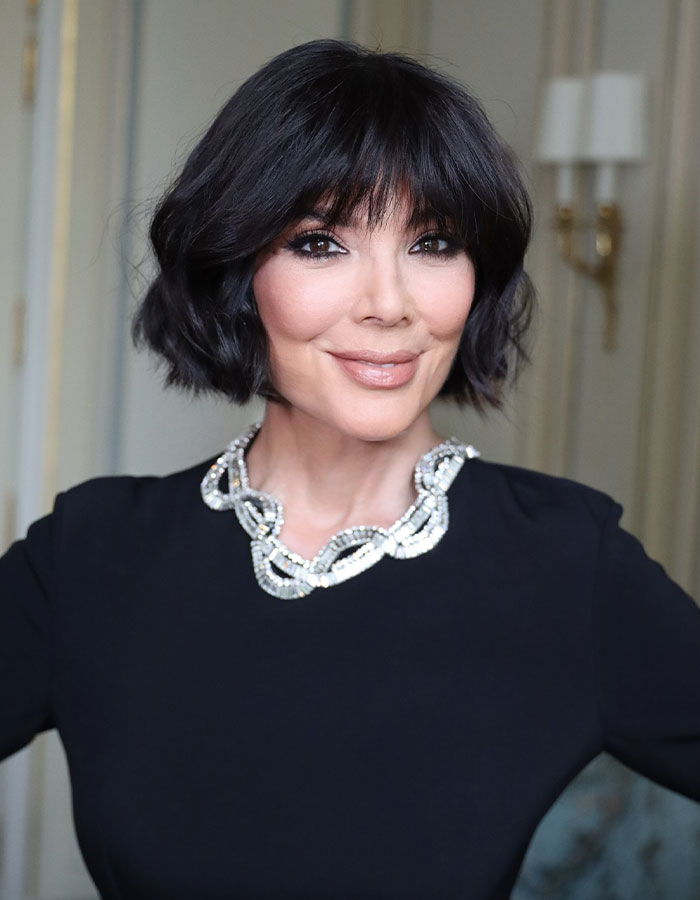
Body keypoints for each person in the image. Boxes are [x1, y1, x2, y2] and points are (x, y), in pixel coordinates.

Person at [1, 38, 698, 900]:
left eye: (432, 242)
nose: (389, 304)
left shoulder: (567, 563)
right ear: (236, 270)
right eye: (322, 243)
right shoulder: (93, 553)